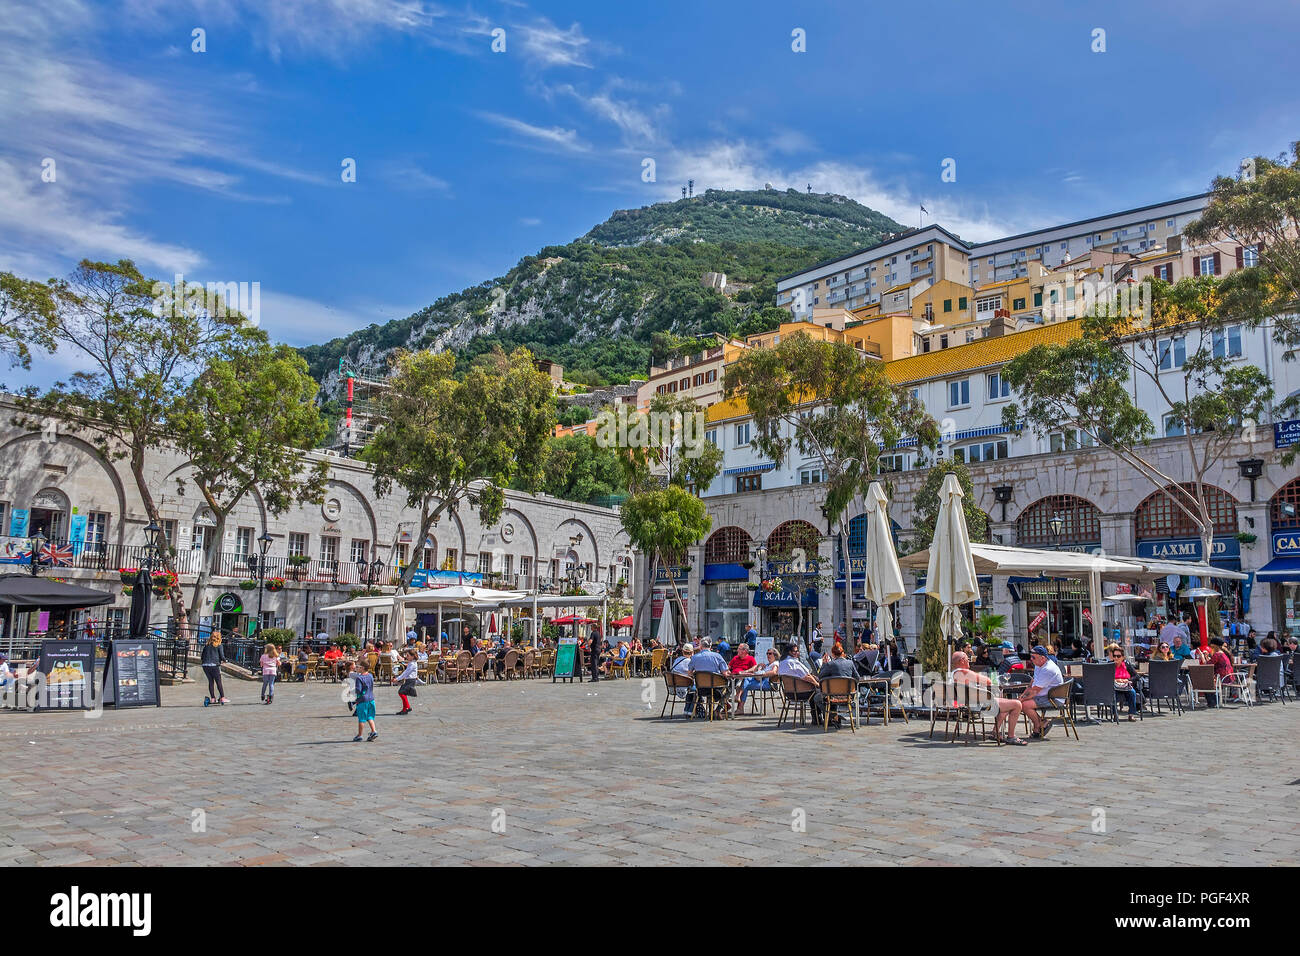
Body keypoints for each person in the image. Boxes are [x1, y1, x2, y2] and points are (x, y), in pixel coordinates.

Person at [951, 651, 1027, 745]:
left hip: (970, 705)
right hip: (981, 706)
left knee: (1007, 705)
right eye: (967, 659)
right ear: (962, 661)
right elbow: (988, 681)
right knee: (1017, 704)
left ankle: (995, 732)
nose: (969, 661)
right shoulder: (964, 673)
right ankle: (1011, 736)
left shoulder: (953, 674)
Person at [1018, 645, 1064, 739]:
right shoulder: (1039, 665)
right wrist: (1022, 696)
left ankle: (1038, 725)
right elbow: (1032, 684)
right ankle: (1041, 723)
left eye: (1033, 657)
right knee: (1022, 702)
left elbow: (1034, 691)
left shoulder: (1048, 669)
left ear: (1042, 658)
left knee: (1024, 705)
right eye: (1031, 656)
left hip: (1054, 698)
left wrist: (1020, 700)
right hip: (1045, 695)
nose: (1031, 659)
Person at [775, 642, 823, 725]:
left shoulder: (782, 663)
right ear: (790, 652)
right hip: (801, 692)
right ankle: (820, 717)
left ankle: (816, 718)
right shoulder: (793, 662)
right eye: (796, 651)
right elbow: (806, 676)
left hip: (789, 693)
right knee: (819, 692)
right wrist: (817, 683)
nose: (798, 653)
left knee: (815, 691)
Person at [816, 643, 858, 728]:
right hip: (849, 695)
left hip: (832, 695)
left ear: (833, 654)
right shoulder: (850, 663)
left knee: (816, 698)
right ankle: (834, 718)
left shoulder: (830, 664)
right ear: (842, 652)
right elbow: (857, 677)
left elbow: (820, 676)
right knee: (828, 694)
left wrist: (824, 664)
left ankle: (834, 717)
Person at [736, 647, 778, 715]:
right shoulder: (767, 665)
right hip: (760, 681)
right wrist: (758, 666)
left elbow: (774, 672)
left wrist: (762, 674)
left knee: (745, 685)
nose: (768, 655)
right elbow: (755, 673)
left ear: (775, 655)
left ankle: (739, 702)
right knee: (746, 679)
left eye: (770, 653)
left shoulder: (775, 663)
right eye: (767, 653)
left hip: (768, 684)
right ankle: (739, 705)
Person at [1107, 645, 1141, 720]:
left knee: (1132, 692)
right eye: (1114, 656)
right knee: (1112, 694)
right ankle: (1115, 714)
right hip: (1114, 687)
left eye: (1118, 656)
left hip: (1126, 686)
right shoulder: (1109, 665)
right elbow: (1105, 678)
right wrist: (1115, 680)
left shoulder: (1126, 664)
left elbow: (1136, 676)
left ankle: (1131, 714)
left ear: (1123, 657)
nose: (1116, 658)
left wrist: (1128, 680)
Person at [352, 660, 378, 742]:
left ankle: (359, 735)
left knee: (362, 718)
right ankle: (374, 731)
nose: (356, 668)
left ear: (362, 668)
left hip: (362, 701)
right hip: (371, 699)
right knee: (370, 716)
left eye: (358, 667)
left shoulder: (359, 678)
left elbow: (358, 691)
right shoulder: (370, 675)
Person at [201, 631, 229, 704]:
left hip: (205, 665)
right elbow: (222, 656)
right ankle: (222, 697)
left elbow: (202, 656)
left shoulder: (207, 645)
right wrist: (225, 660)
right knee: (218, 681)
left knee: (211, 681)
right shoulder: (219, 645)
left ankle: (213, 698)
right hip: (214, 665)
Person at [393, 650, 424, 715]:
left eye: (408, 655)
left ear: (412, 657)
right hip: (410, 680)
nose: (406, 657)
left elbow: (406, 673)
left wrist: (397, 679)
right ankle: (406, 707)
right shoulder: (412, 662)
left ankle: (406, 708)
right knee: (402, 693)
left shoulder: (412, 664)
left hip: (410, 681)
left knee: (401, 693)